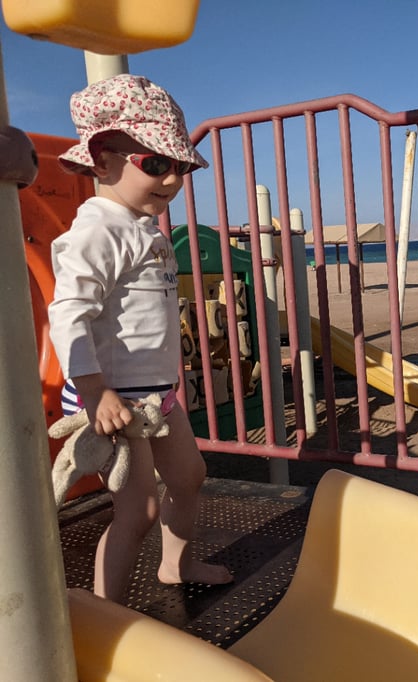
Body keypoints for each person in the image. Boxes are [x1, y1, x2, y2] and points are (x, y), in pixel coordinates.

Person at [49, 74, 232, 603]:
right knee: (140, 509)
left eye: (179, 167)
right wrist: (94, 391)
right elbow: (68, 314)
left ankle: (177, 564)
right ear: (103, 160)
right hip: (111, 398)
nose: (172, 180)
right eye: (155, 164)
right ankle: (109, 611)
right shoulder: (96, 232)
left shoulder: (141, 228)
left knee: (190, 476)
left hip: (156, 394)